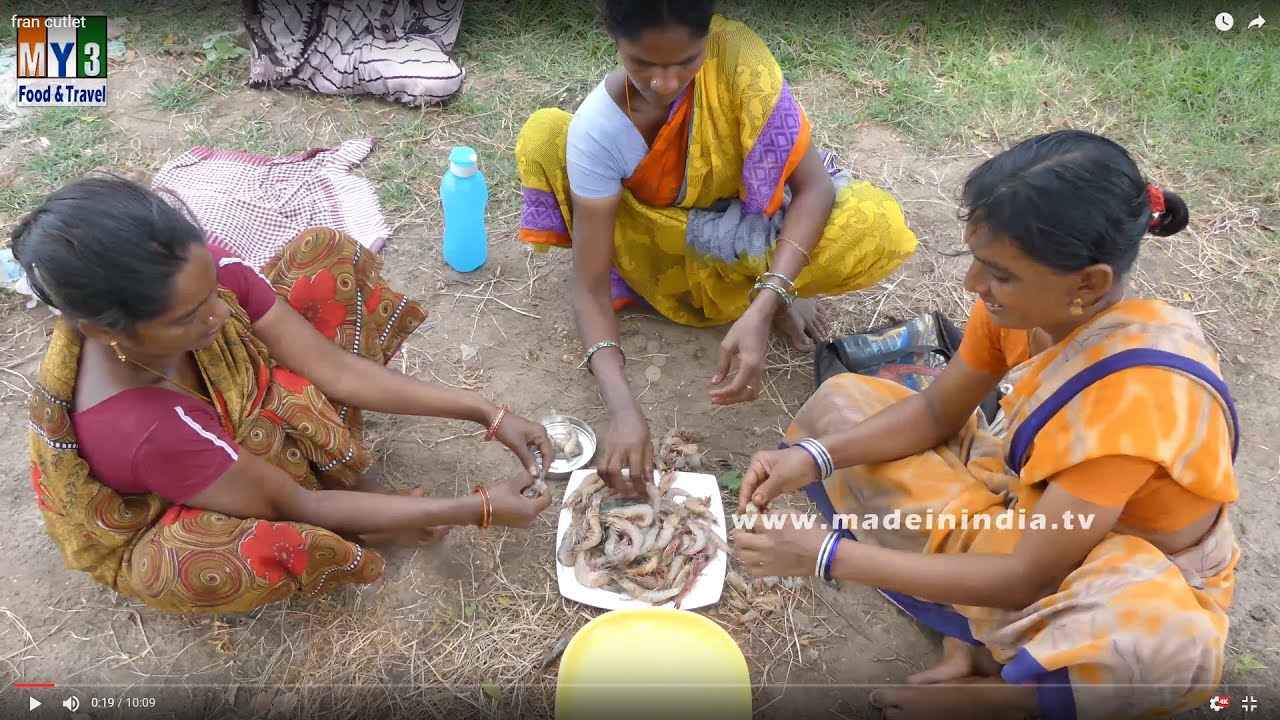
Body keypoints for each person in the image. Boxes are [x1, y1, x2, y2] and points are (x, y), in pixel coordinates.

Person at [731, 130, 1241, 719]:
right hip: (1030, 513)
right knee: (844, 406)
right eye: (975, 259)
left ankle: (1015, 696)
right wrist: (813, 458)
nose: (974, 285)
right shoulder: (1020, 310)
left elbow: (1026, 574)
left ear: (1090, 283)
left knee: (1156, 641)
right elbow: (932, 412)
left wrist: (827, 555)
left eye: (998, 272)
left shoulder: (1134, 401)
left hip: (1110, 573)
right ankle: (973, 636)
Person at [19, 175, 555, 614]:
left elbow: (335, 371)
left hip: (213, 439)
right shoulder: (144, 429)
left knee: (324, 257)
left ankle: (353, 494)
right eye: (189, 316)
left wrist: (487, 411)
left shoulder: (195, 271)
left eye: (211, 292)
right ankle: (374, 524)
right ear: (106, 331)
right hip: (174, 497)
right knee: (242, 547)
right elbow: (297, 504)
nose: (222, 315)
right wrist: (476, 508)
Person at [515, 0, 919, 496]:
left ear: (709, 37)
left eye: (686, 61)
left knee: (870, 226)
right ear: (613, 39)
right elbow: (589, 288)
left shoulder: (737, 61)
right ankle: (761, 283)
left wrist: (768, 298)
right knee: (545, 136)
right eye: (643, 63)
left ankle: (777, 287)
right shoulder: (598, 131)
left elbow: (815, 189)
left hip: (742, 235)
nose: (665, 83)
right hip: (658, 247)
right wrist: (623, 411)